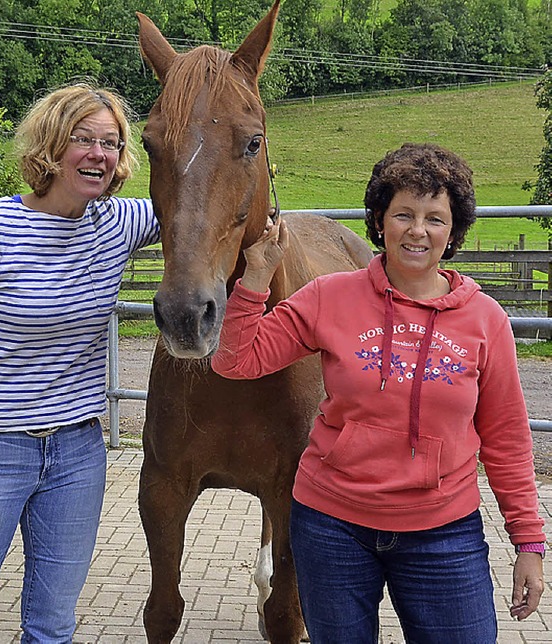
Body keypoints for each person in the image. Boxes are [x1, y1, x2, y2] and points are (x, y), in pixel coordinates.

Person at [211, 142, 545, 642]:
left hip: (443, 534)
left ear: (453, 230)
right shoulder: (330, 297)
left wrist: (529, 543)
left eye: (435, 217)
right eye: (403, 213)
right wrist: (255, 279)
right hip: (331, 528)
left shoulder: (485, 320)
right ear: (379, 221)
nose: (417, 230)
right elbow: (235, 360)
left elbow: (507, 440)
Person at [0, 82, 160, 643]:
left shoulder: (122, 222)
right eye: (83, 139)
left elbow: (208, 204)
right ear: (51, 146)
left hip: (76, 453)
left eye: (112, 143)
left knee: (52, 626)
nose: (100, 153)